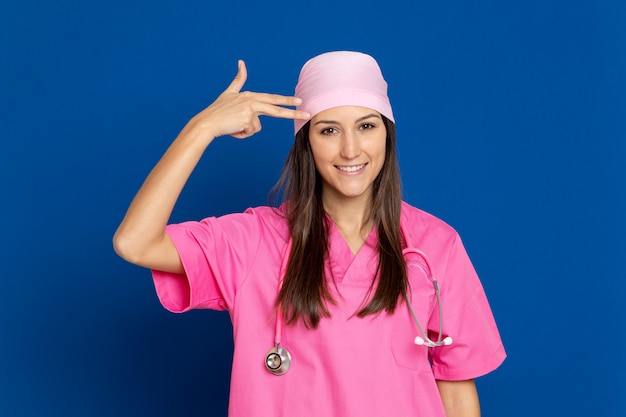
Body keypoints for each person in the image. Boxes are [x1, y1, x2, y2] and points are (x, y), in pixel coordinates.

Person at [113, 51, 506, 417]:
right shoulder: (252, 241)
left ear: (387, 134)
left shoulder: (435, 244)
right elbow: (134, 242)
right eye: (329, 130)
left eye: (366, 126)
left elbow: (455, 387)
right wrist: (202, 128)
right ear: (306, 142)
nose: (351, 149)